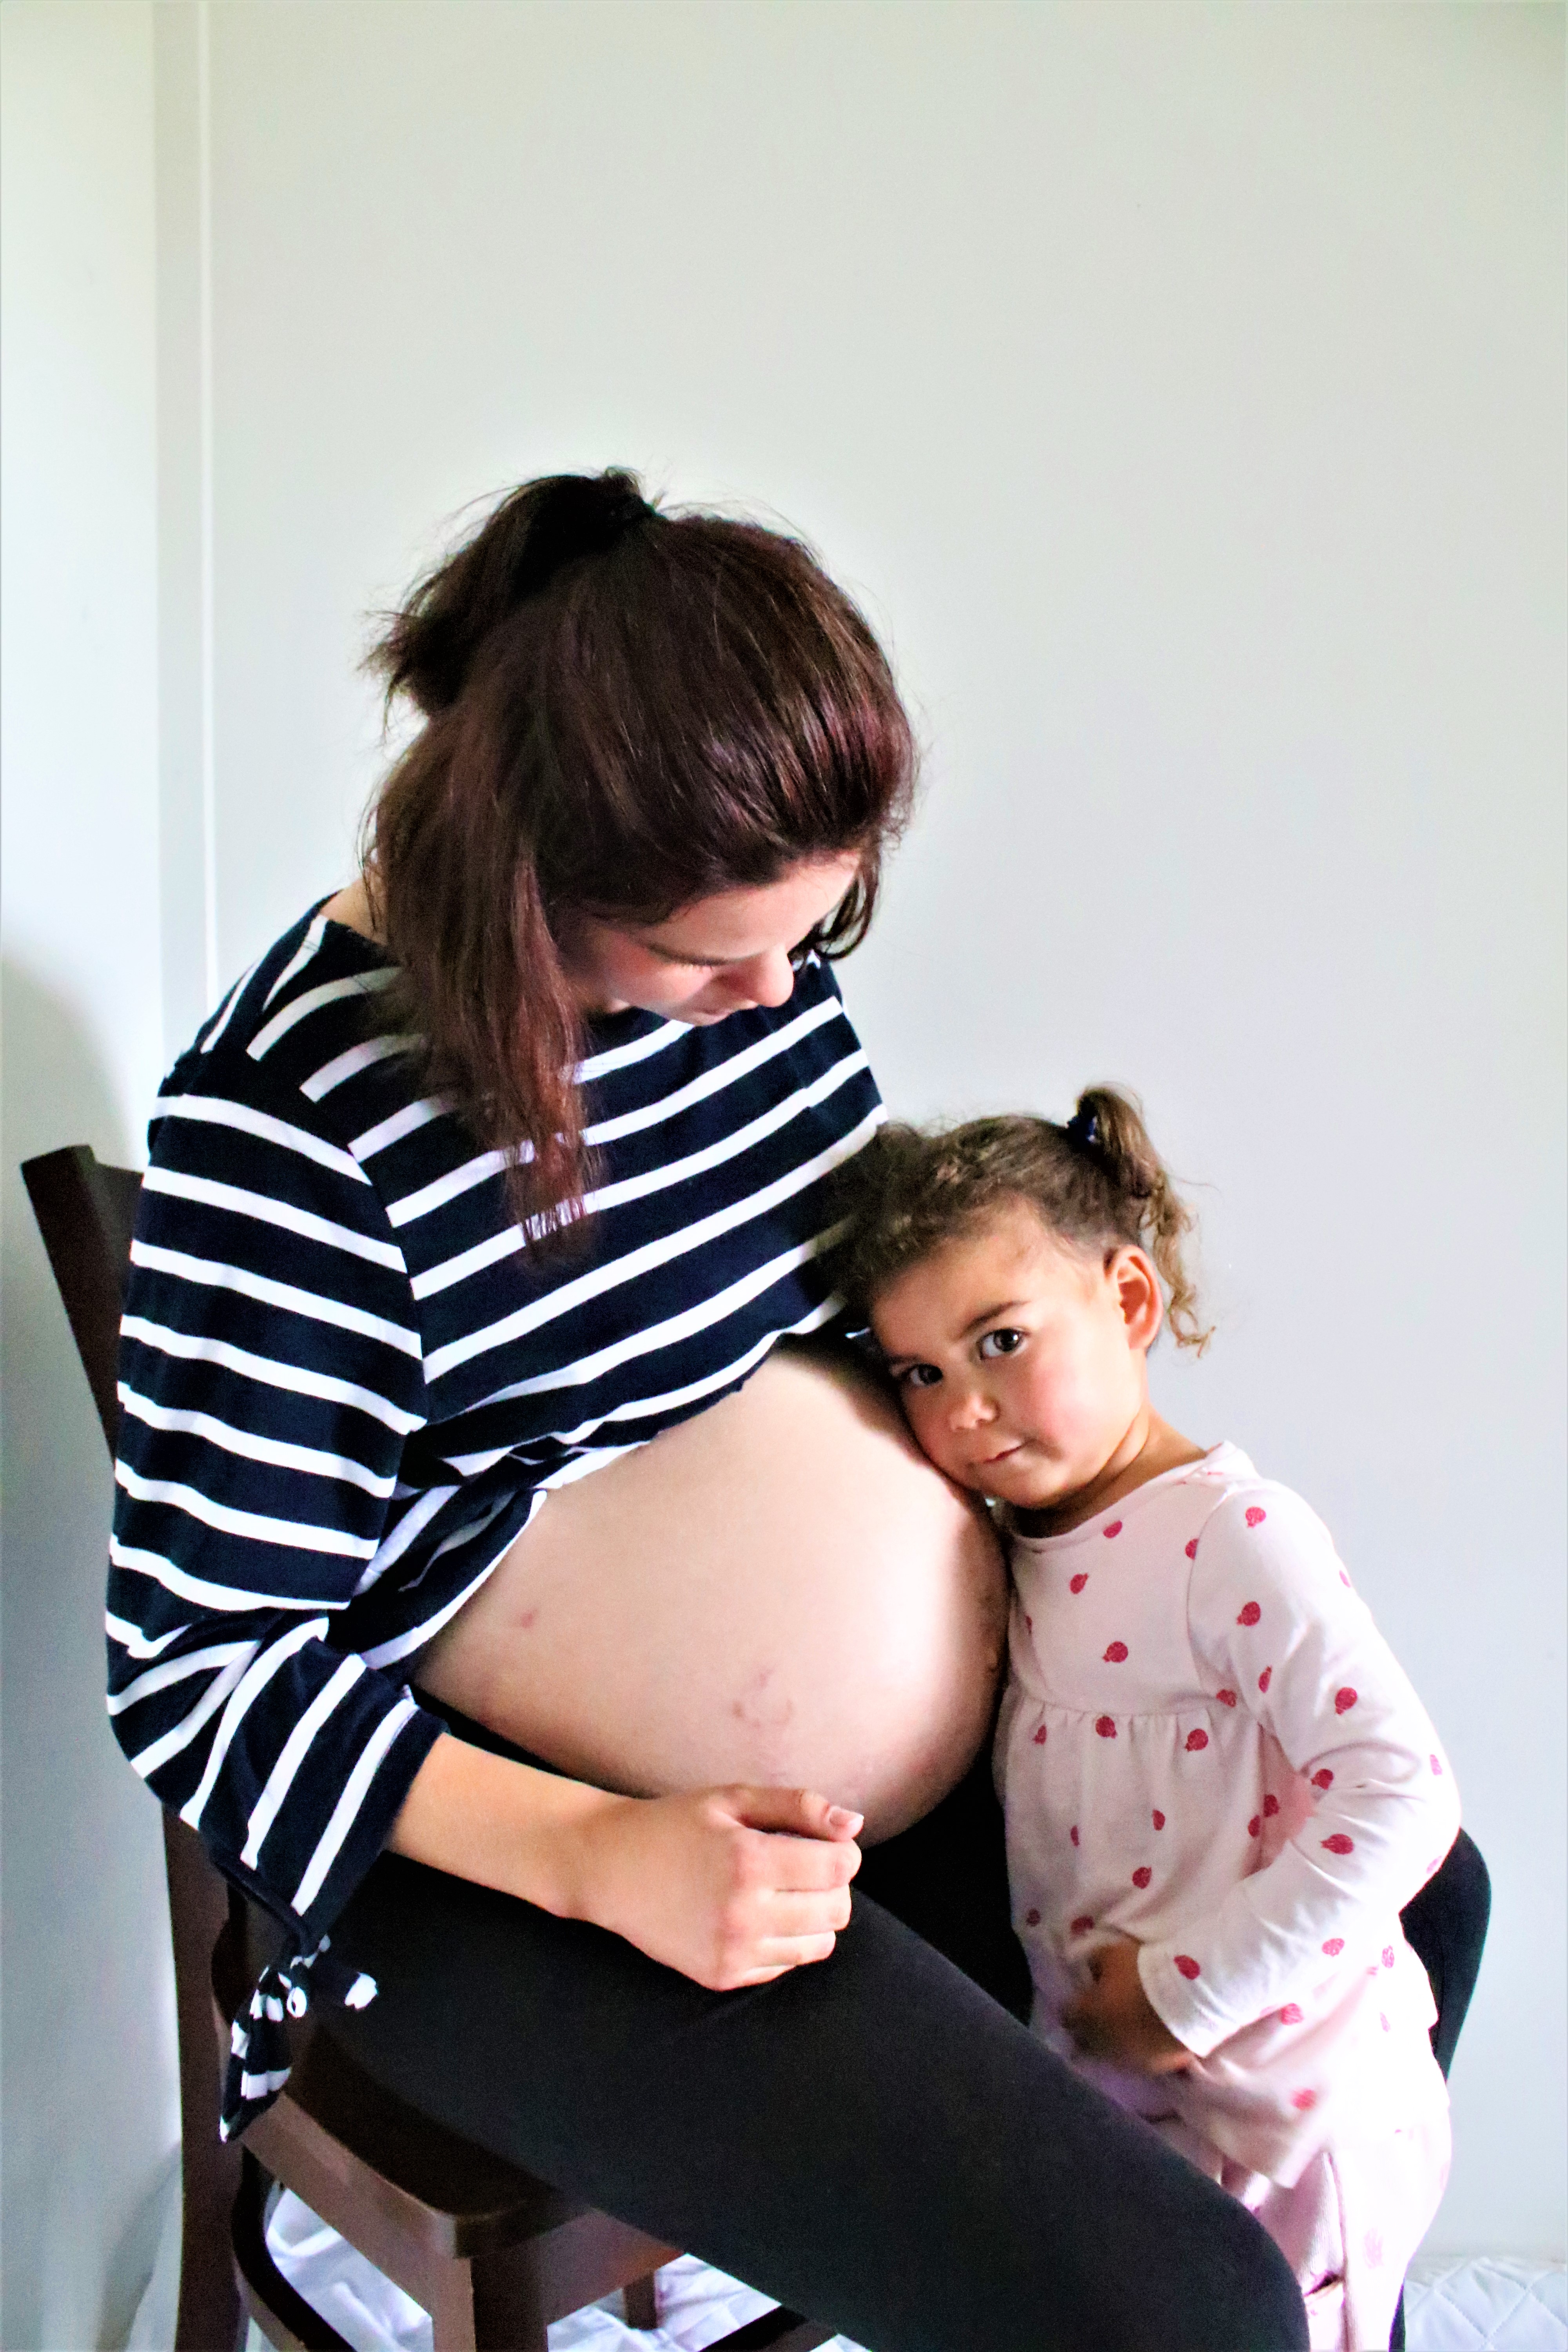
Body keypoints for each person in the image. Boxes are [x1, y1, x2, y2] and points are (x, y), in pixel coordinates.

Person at [107, 471, 1310, 2351]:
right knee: (1189, 2311)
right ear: (513, 873)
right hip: (503, 1866)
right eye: (698, 955)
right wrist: (600, 1856)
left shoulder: (756, 985)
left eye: (813, 937)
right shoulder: (290, 1128)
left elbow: (867, 1312)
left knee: (1410, 1903)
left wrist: (1119, 1512)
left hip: (877, 1788)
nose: (772, 998)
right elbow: (195, 1672)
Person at [834, 1088, 1462, 2350]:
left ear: (1128, 1301)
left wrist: (1185, 1993)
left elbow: (1403, 1794)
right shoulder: (1022, 1545)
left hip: (1295, 2110)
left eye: (1001, 1341)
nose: (962, 1409)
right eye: (921, 1373)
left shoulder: (1231, 1537)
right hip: (1146, 2094)